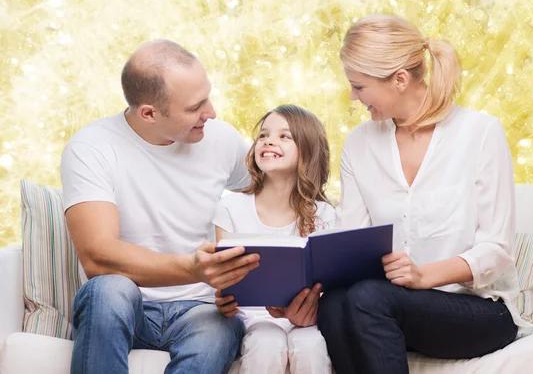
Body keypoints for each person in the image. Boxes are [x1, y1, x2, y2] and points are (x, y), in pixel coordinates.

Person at [317, 15, 533, 374]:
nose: (353, 97)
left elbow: (496, 251)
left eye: (359, 86)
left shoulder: (479, 133)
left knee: (368, 299)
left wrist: (423, 276)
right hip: (390, 307)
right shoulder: (359, 144)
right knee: (334, 303)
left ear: (400, 80)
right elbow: (352, 241)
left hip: (478, 310)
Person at [61, 40, 260, 374]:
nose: (211, 113)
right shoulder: (92, 148)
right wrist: (193, 268)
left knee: (218, 327)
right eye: (195, 107)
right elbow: (97, 256)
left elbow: (273, 199)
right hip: (129, 307)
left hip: (203, 308)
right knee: (108, 290)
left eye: (208, 97)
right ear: (149, 113)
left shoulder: (222, 140)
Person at [213, 105, 335, 374]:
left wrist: (309, 311)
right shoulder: (231, 209)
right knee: (266, 342)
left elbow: (330, 286)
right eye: (264, 135)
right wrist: (222, 298)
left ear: (308, 150)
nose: (268, 141)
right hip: (253, 320)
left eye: (284, 136)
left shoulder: (325, 214)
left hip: (306, 321)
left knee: (310, 344)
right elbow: (225, 279)